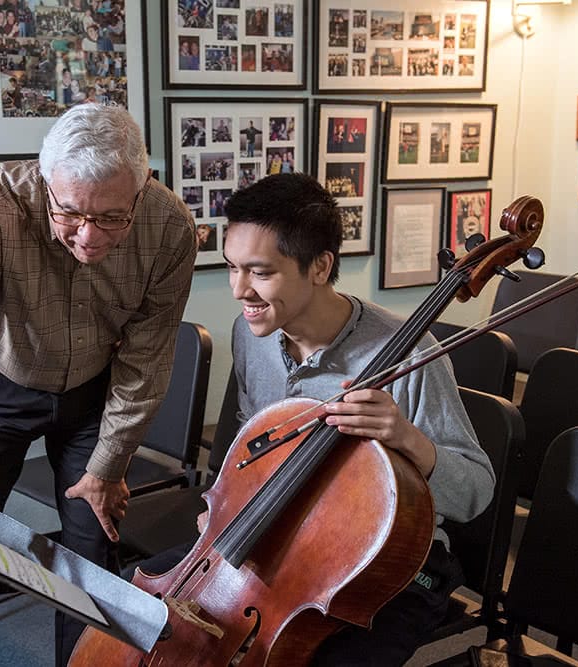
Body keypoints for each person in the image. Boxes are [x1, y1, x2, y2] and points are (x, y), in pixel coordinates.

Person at [131, 173, 495, 666]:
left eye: (260, 272)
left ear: (320, 267)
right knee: (134, 613)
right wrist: (224, 510)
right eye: (233, 267)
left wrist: (404, 436)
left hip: (386, 567)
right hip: (278, 536)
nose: (240, 290)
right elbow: (252, 447)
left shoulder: (409, 355)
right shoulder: (250, 334)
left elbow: (476, 491)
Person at [0, 103, 198, 667]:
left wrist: (108, 466)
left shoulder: (170, 225)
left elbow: (147, 359)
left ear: (141, 187)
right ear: (45, 179)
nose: (88, 237)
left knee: (91, 556)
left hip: (93, 397)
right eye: (70, 213)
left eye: (111, 218)